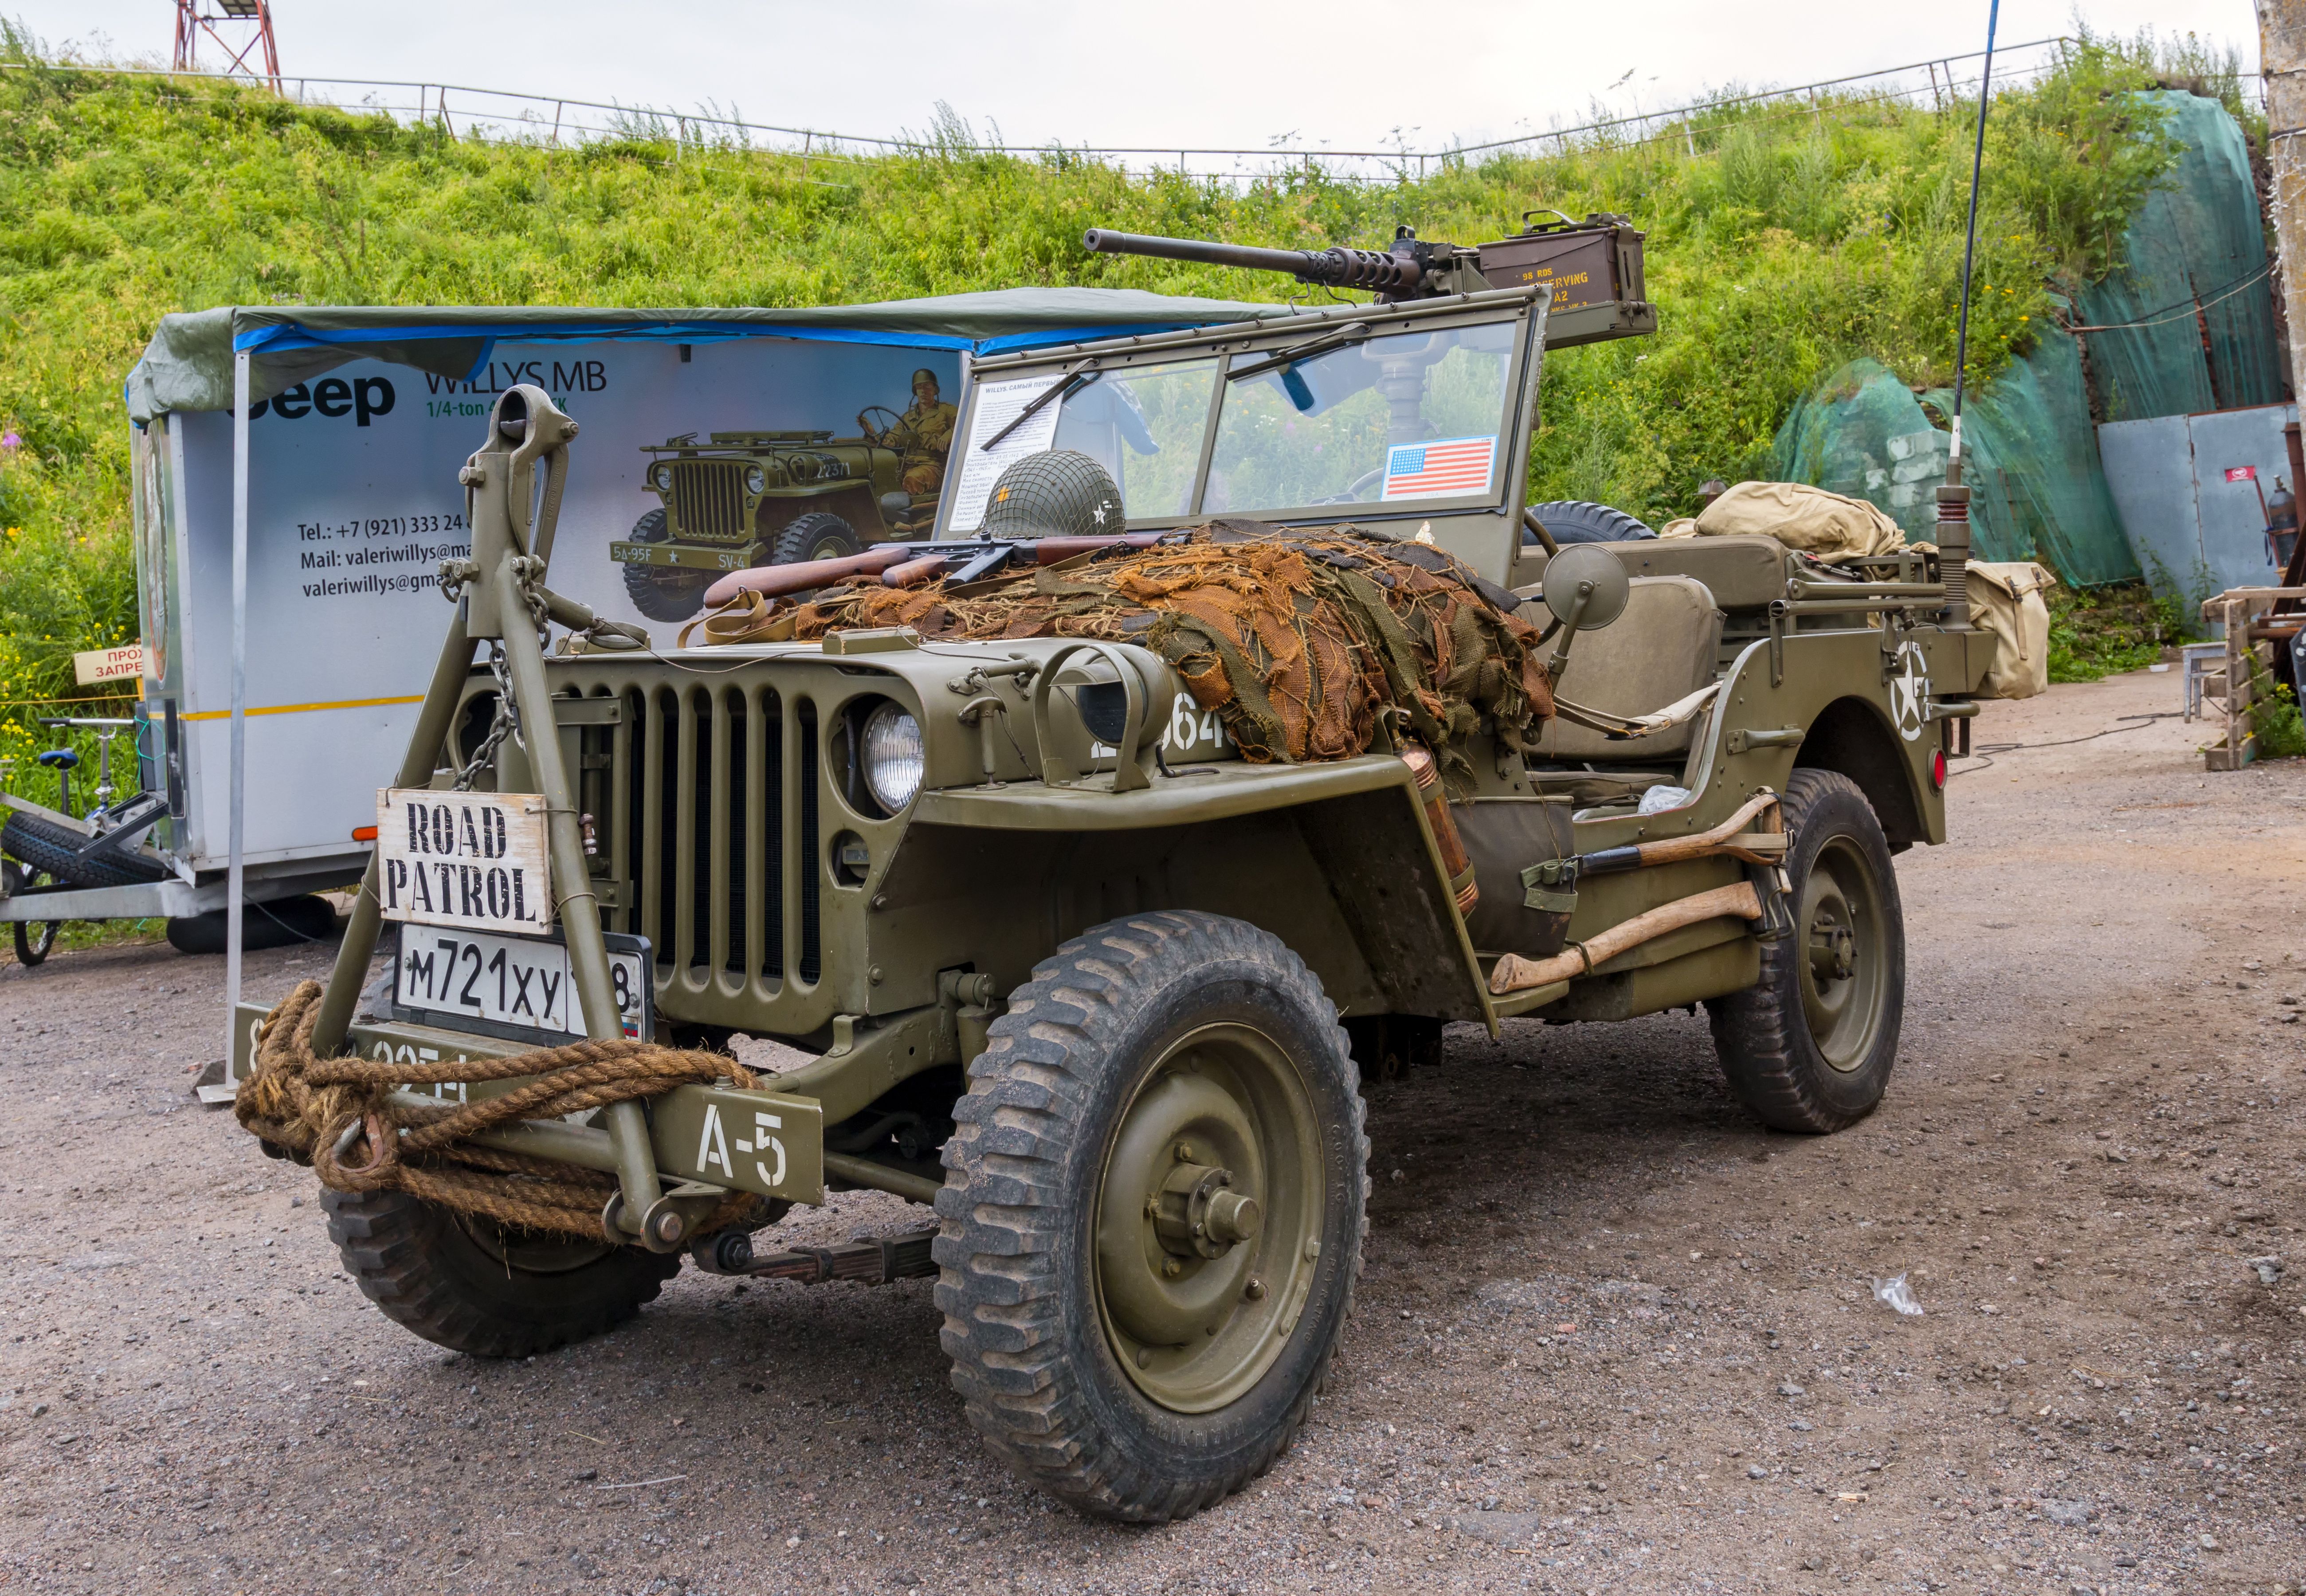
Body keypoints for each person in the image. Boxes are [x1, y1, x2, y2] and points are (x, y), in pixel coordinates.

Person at [859, 369, 958, 497]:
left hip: (934, 465)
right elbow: (893, 439)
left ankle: (909, 515)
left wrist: (950, 433)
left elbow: (967, 422)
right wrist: (872, 433)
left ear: (935, 389)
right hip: (906, 463)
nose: (923, 391)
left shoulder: (946, 411)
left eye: (927, 386)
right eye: (919, 387)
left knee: (913, 479)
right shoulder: (908, 417)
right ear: (915, 391)